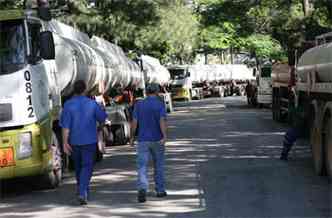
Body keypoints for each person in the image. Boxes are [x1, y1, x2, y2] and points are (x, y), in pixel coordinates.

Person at [60, 80, 107, 205]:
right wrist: (100, 128)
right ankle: (82, 191)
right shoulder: (92, 104)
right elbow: (102, 118)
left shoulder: (68, 105)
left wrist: (64, 142)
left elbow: (65, 127)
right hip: (89, 141)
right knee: (87, 167)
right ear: (85, 89)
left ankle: (83, 191)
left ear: (73, 90)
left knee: (79, 168)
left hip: (74, 142)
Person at [130, 83, 168, 203]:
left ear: (146, 92)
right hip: (157, 139)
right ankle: (160, 190)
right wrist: (164, 136)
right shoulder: (160, 104)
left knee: (142, 165)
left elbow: (134, 122)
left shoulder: (139, 104)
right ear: (156, 92)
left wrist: (131, 137)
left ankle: (142, 188)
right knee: (159, 165)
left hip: (143, 140)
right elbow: (162, 120)